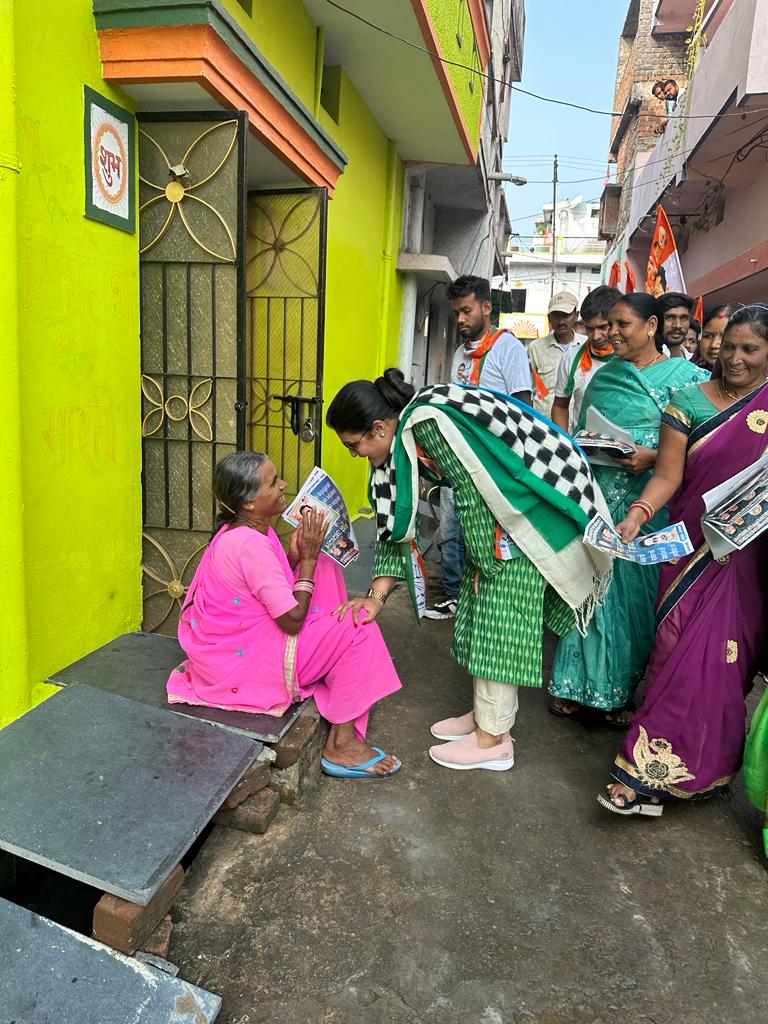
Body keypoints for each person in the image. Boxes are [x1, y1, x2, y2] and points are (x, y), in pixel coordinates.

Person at [326, 369, 612, 772]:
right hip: (505, 530)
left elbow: (476, 490)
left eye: (354, 444)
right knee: (480, 625)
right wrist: (377, 596)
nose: (355, 454)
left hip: (520, 529)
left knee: (500, 633)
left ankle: (493, 742)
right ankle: (486, 718)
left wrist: (486, 561)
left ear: (378, 427)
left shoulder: (426, 426)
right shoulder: (412, 424)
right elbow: (398, 523)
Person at [598, 305, 768, 815]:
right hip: (691, 549)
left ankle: (705, 768)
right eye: (729, 346)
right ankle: (646, 766)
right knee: (674, 651)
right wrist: (638, 512)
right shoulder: (687, 403)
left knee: (727, 664)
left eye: (749, 350)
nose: (734, 358)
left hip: (750, 558)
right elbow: (668, 475)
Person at [167, 452, 403, 779]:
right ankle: (341, 745)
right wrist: (305, 559)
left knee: (324, 563)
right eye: (273, 482)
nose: (284, 485)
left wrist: (297, 556)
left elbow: (265, 584)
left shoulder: (242, 532)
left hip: (234, 649)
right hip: (250, 664)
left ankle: (329, 657)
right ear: (249, 503)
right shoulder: (249, 545)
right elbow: (291, 620)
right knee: (360, 627)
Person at [549, 293, 708, 724]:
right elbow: (582, 430)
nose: (611, 334)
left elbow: (705, 445)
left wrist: (652, 456)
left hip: (652, 500)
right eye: (606, 326)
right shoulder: (603, 377)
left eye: (622, 325)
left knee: (635, 596)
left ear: (651, 326)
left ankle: (619, 690)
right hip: (602, 493)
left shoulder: (691, 378)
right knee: (592, 587)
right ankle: (577, 685)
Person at [426, 274, 531, 621]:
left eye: (467, 311)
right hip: (461, 458)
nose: (460, 319)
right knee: (453, 527)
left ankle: (489, 599)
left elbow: (523, 409)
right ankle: (455, 595)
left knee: (486, 535)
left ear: (486, 307)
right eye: (456, 312)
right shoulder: (461, 353)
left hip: (494, 463)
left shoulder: (509, 348)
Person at [552, 286, 623, 434]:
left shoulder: (634, 358)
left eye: (603, 327)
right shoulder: (571, 358)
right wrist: (566, 445)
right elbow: (560, 406)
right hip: (583, 453)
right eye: (589, 329)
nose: (596, 336)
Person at [527, 291, 585, 418]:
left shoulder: (586, 345)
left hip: (578, 425)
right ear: (549, 318)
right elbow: (528, 389)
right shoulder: (535, 348)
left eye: (566, 315)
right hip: (545, 425)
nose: (561, 321)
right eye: (556, 316)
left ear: (576, 315)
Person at [693, 303, 745, 370]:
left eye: (724, 337)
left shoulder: (758, 379)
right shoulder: (685, 376)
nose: (714, 345)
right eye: (708, 336)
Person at [658, 291, 694, 358]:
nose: (678, 325)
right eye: (670, 318)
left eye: (683, 318)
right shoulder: (645, 363)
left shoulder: (695, 362)